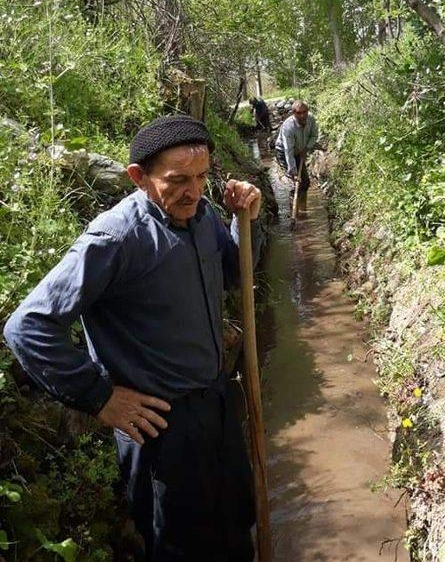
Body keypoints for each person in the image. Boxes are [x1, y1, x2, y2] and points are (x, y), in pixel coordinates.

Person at [3, 114, 262, 561]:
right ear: (139, 178)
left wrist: (244, 219)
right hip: (162, 429)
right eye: (178, 180)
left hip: (216, 406)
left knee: (237, 525)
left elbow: (233, 271)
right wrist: (101, 397)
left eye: (201, 177)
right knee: (181, 547)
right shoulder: (116, 239)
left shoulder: (201, 216)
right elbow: (27, 326)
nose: (194, 191)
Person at [274, 100, 318, 192]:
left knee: (305, 182)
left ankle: (303, 205)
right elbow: (288, 151)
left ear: (308, 110)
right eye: (298, 113)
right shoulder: (288, 127)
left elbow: (314, 136)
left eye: (304, 112)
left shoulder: (311, 119)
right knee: (294, 185)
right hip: (283, 152)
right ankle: (292, 203)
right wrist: (293, 172)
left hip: (300, 150)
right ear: (294, 113)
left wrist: (306, 148)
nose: (302, 115)